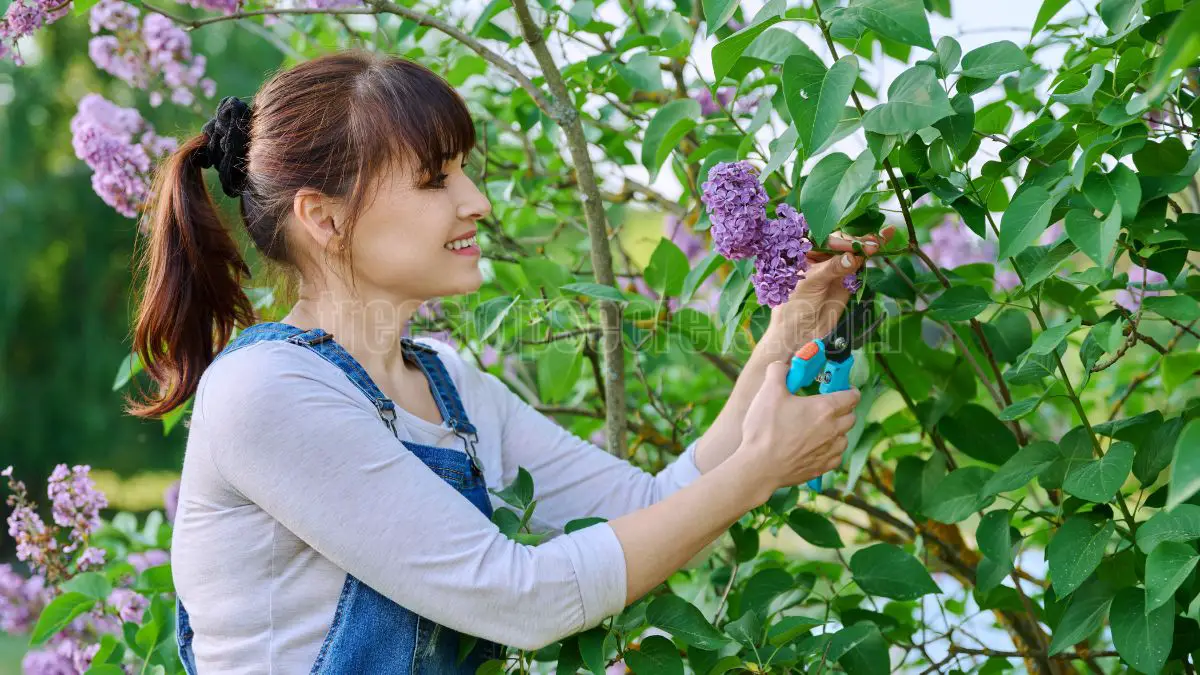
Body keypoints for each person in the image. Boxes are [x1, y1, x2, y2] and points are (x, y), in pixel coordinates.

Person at [127, 49, 889, 674]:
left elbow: (651, 501)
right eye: (435, 179)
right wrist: (759, 468)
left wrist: (794, 322)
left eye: (463, 169)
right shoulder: (269, 393)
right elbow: (519, 598)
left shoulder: (449, 385)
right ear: (323, 217)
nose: (477, 200)